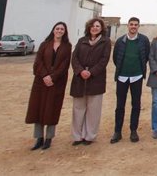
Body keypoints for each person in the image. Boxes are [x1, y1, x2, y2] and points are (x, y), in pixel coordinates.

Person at [25, 22, 72, 150]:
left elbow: (65, 65)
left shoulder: (67, 47)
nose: (59, 31)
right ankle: (39, 138)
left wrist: (53, 77)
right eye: (57, 28)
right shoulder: (44, 45)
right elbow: (38, 61)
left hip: (56, 83)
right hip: (41, 81)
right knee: (38, 108)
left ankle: (49, 138)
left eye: (62, 29)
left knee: (52, 109)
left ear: (65, 32)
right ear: (53, 30)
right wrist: (45, 75)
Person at [70, 17, 111, 145]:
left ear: (101, 28)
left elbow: (104, 60)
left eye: (97, 26)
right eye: (93, 26)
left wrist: (91, 72)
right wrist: (80, 71)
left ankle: (89, 136)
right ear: (89, 27)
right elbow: (74, 58)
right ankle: (77, 136)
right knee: (78, 109)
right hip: (80, 79)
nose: (95, 28)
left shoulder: (105, 42)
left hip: (95, 80)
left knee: (93, 110)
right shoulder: (82, 41)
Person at [111, 17, 150, 144]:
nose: (133, 26)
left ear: (139, 26)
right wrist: (123, 69)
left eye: (136, 25)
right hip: (122, 77)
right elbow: (116, 58)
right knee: (120, 105)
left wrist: (138, 69)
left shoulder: (144, 40)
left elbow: (146, 56)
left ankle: (133, 131)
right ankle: (117, 131)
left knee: (136, 104)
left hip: (137, 77)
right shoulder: (120, 41)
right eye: (131, 24)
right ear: (128, 26)